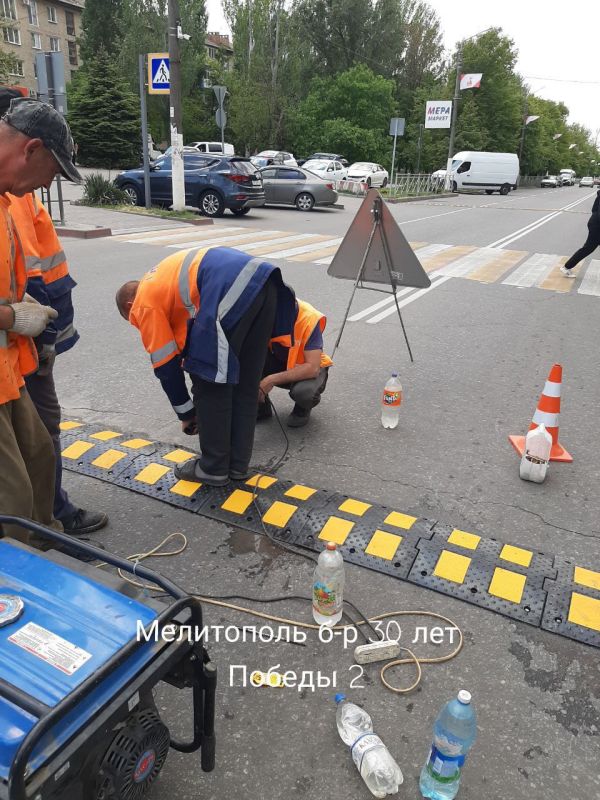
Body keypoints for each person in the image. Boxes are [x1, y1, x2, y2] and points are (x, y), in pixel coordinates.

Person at [0, 89, 108, 536]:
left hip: (8, 369)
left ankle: (42, 545)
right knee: (13, 498)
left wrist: (21, 305)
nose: (48, 185)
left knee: (41, 456)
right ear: (31, 149)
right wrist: (14, 318)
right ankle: (18, 568)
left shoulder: (6, 200)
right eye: (52, 171)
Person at [116, 246, 295, 486]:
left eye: (132, 320)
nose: (137, 323)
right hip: (264, 282)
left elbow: (166, 364)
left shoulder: (143, 303)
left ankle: (213, 468)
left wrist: (187, 413)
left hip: (230, 287)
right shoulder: (161, 281)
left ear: (130, 305)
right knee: (245, 384)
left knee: (208, 380)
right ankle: (237, 466)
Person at [258, 299, 333, 428]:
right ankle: (260, 405)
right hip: (280, 360)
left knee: (304, 393)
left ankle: (302, 408)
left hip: (307, 368)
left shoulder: (308, 318)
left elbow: (312, 368)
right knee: (245, 363)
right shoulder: (265, 311)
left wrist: (270, 380)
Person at [561, 189, 600, 276]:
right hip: (597, 226)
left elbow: (594, 209)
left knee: (588, 248)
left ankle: (567, 267)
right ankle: (566, 267)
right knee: (588, 248)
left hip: (595, 223)